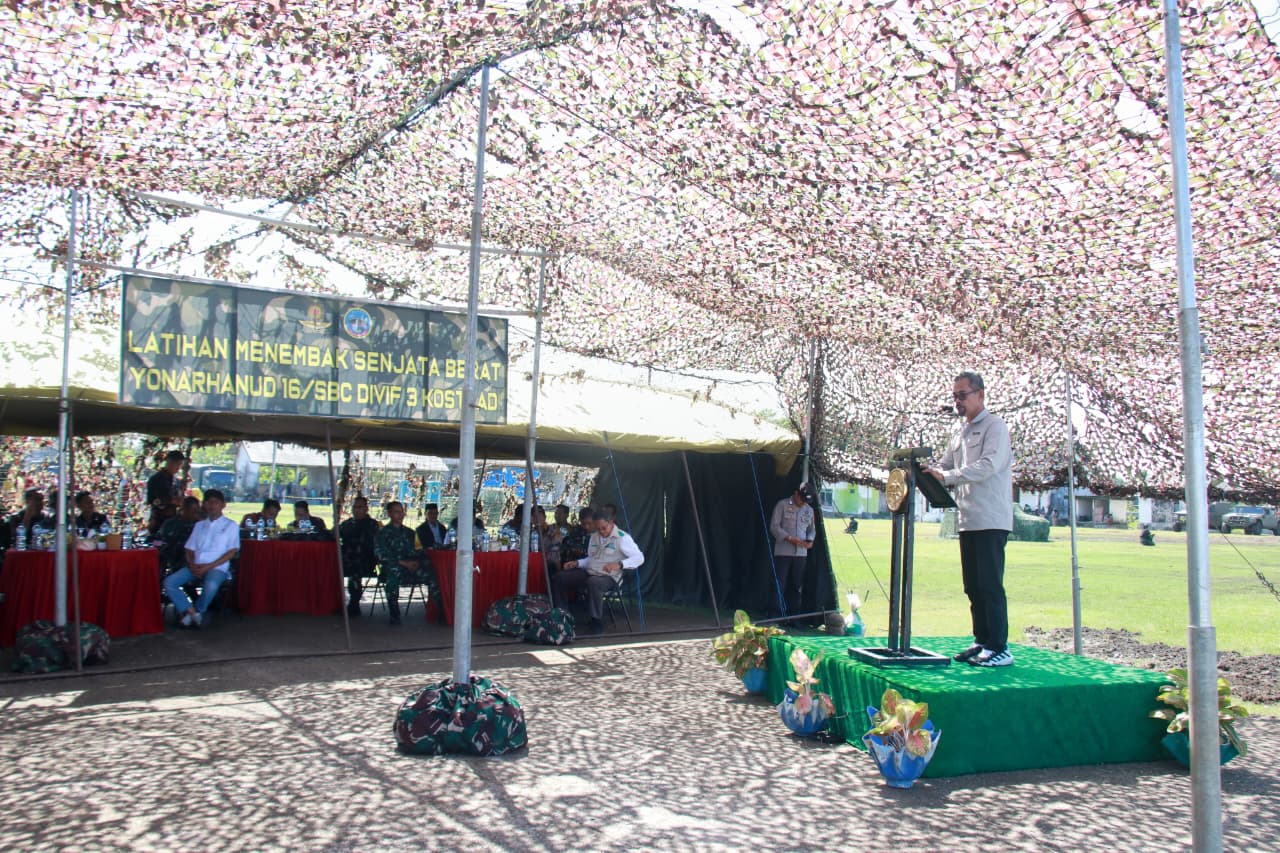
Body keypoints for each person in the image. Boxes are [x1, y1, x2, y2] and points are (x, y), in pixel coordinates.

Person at [927, 370, 1014, 668]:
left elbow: (988, 466)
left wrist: (948, 476)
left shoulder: (995, 427)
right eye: (955, 396)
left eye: (962, 395)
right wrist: (927, 470)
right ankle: (981, 641)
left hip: (991, 518)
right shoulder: (958, 431)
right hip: (968, 519)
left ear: (980, 395)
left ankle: (999, 647)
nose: (958, 401)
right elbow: (945, 465)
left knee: (990, 584)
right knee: (973, 586)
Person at [552, 506, 644, 635]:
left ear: (611, 523)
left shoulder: (623, 538)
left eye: (604, 528)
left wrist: (620, 564)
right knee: (559, 578)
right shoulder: (594, 536)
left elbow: (639, 558)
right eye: (598, 528)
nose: (601, 532)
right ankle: (563, 617)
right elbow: (591, 558)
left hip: (609, 577)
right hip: (590, 571)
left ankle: (596, 622)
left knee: (593, 583)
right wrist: (578, 563)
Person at [163, 489, 240, 629]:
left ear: (223, 505)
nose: (212, 506)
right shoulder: (199, 526)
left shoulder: (231, 526)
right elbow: (189, 549)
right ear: (204, 505)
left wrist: (208, 567)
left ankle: (197, 611)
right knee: (170, 582)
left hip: (217, 567)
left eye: (216, 503)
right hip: (195, 565)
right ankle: (191, 612)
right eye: (209, 502)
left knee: (211, 585)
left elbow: (232, 552)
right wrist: (192, 564)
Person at [375, 501, 441, 626]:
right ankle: (395, 615)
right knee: (392, 576)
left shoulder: (410, 533)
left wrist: (418, 561)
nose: (400, 515)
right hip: (394, 568)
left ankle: (440, 612)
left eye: (402, 512)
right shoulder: (382, 533)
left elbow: (419, 550)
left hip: (412, 567)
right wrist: (404, 563)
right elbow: (382, 556)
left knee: (433, 574)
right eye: (396, 512)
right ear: (389, 513)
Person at [769, 484, 816, 619]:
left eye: (806, 501)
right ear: (796, 493)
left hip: (801, 554)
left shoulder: (809, 510)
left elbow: (812, 529)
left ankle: (794, 617)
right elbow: (774, 526)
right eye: (802, 499)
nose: (803, 503)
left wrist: (810, 540)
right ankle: (775, 615)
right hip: (783, 551)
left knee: (796, 586)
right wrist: (789, 538)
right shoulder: (782, 505)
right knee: (780, 584)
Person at [339, 495, 380, 616]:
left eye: (360, 507)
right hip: (347, 559)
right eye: (355, 507)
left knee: (355, 570)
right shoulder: (346, 524)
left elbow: (368, 544)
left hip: (365, 560)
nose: (357, 510)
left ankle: (354, 603)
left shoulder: (372, 525)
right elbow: (336, 535)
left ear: (366, 509)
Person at [157, 496, 202, 573]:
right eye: (193, 512)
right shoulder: (171, 524)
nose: (196, 515)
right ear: (184, 510)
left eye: (197, 512)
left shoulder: (200, 525)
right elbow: (159, 540)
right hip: (174, 558)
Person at [147, 450, 186, 534]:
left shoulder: (176, 481)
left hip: (173, 520)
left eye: (180, 465)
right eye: (178, 464)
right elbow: (153, 501)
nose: (178, 468)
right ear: (169, 462)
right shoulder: (156, 479)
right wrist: (172, 501)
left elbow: (181, 497)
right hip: (158, 520)